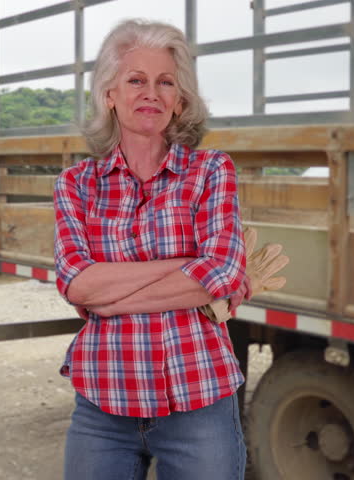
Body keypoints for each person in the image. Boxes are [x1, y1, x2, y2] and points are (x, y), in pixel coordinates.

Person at [53, 19, 250, 480]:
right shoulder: (76, 185)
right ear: (110, 95)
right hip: (103, 405)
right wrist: (188, 266)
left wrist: (107, 295)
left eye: (166, 82)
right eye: (136, 80)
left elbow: (221, 273)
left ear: (180, 101)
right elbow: (75, 284)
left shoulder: (210, 170)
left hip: (199, 398)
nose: (152, 93)